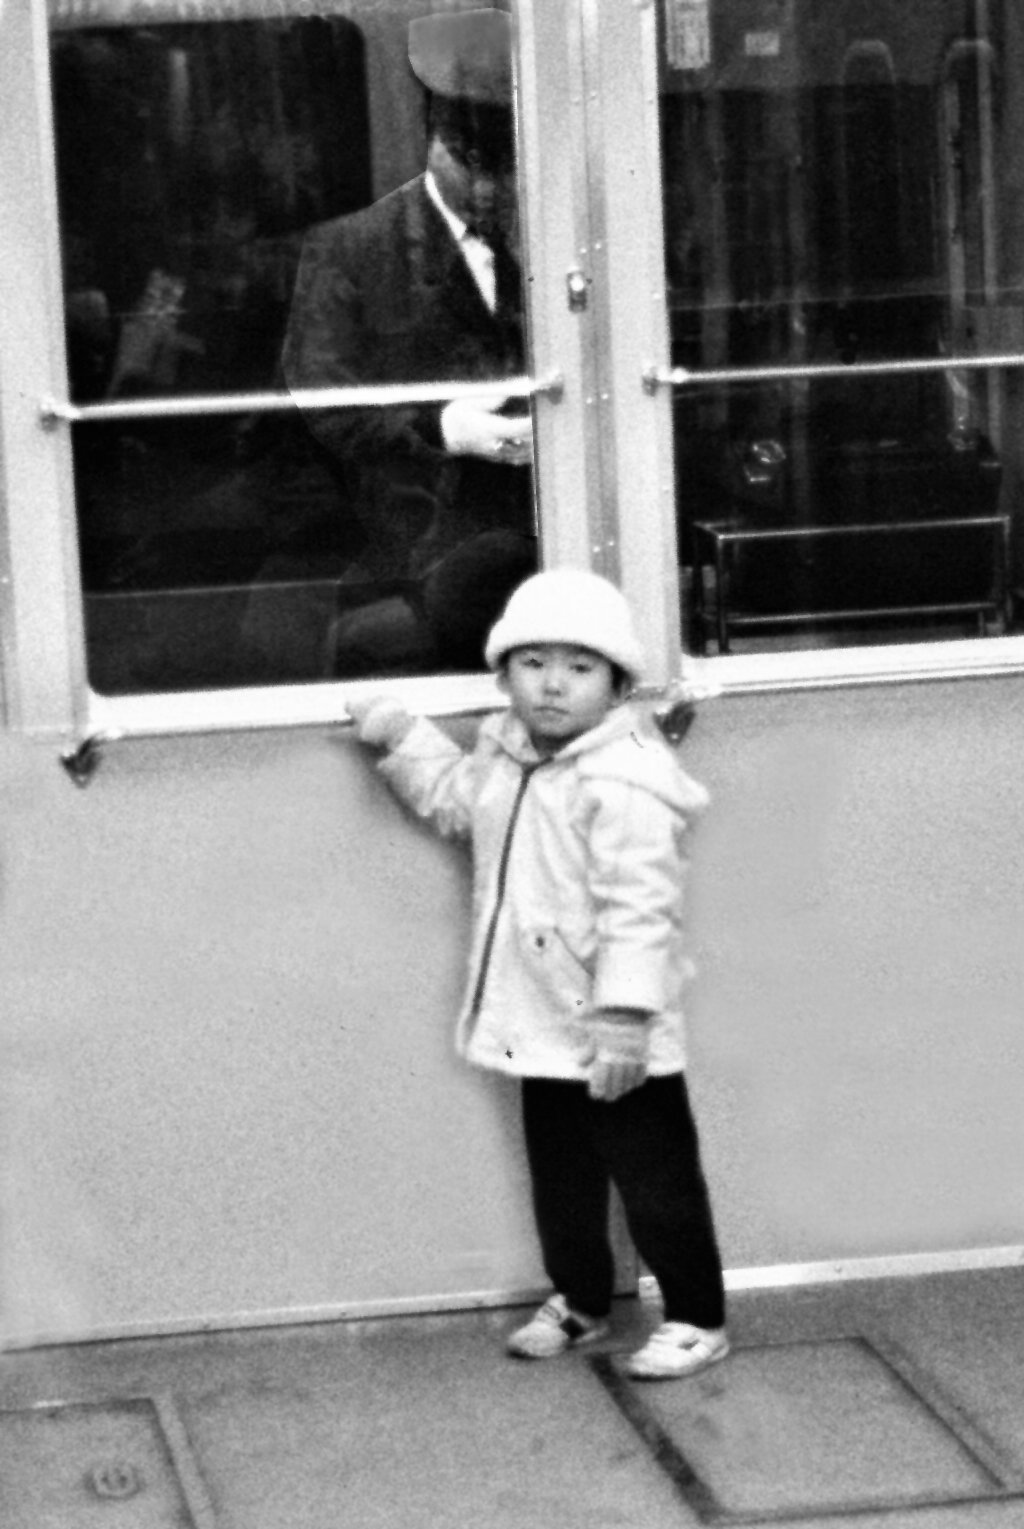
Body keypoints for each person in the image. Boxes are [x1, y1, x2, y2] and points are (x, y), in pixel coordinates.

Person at [346, 569, 729, 1380]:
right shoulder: (505, 752)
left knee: (655, 1179)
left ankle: (696, 1316)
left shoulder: (626, 776)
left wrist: (625, 1016)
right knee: (562, 1176)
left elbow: (640, 907)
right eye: (533, 663)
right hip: (537, 1014)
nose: (553, 684)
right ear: (504, 673)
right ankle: (582, 1299)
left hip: (613, 1024)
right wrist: (402, 734)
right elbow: (457, 803)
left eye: (580, 668)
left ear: (616, 684)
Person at [282, 8, 536, 675]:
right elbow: (324, 403)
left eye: (506, 168)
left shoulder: (549, 233)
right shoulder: (349, 251)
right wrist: (447, 427)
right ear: (435, 141)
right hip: (421, 550)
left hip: (550, 547)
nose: (489, 191)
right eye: (474, 164)